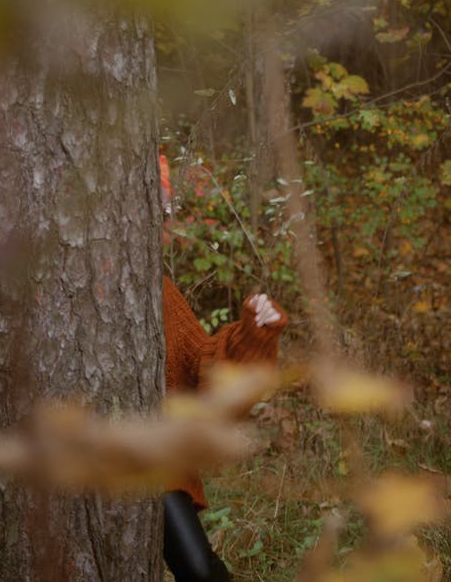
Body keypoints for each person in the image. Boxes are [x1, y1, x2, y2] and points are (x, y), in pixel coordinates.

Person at [159, 155, 287, 581]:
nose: (161, 222)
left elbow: (203, 368)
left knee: (200, 570)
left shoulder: (157, 292)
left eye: (162, 212)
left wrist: (252, 337)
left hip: (151, 464)